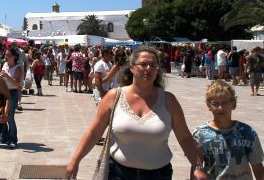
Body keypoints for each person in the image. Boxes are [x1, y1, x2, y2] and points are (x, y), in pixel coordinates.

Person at [66, 46, 207, 180]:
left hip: (158, 175)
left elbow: (185, 139)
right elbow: (94, 132)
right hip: (118, 174)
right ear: (132, 67)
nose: (149, 69)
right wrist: (75, 160)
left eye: (153, 65)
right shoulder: (114, 97)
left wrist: (198, 166)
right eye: (144, 64)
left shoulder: (169, 101)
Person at [192, 80, 263, 179]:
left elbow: (258, 167)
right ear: (208, 105)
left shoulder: (247, 133)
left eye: (225, 103)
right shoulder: (200, 134)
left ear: (234, 103)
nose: (220, 108)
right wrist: (197, 173)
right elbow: (196, 166)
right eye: (215, 104)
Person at [0, 47, 23, 149]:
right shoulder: (5, 65)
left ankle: (13, 139)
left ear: (14, 57)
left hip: (12, 92)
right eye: (5, 55)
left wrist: (7, 76)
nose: (6, 57)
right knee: (1, 114)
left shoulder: (18, 68)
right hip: (2, 91)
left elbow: (17, 84)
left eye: (8, 55)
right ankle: (4, 136)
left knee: (10, 117)